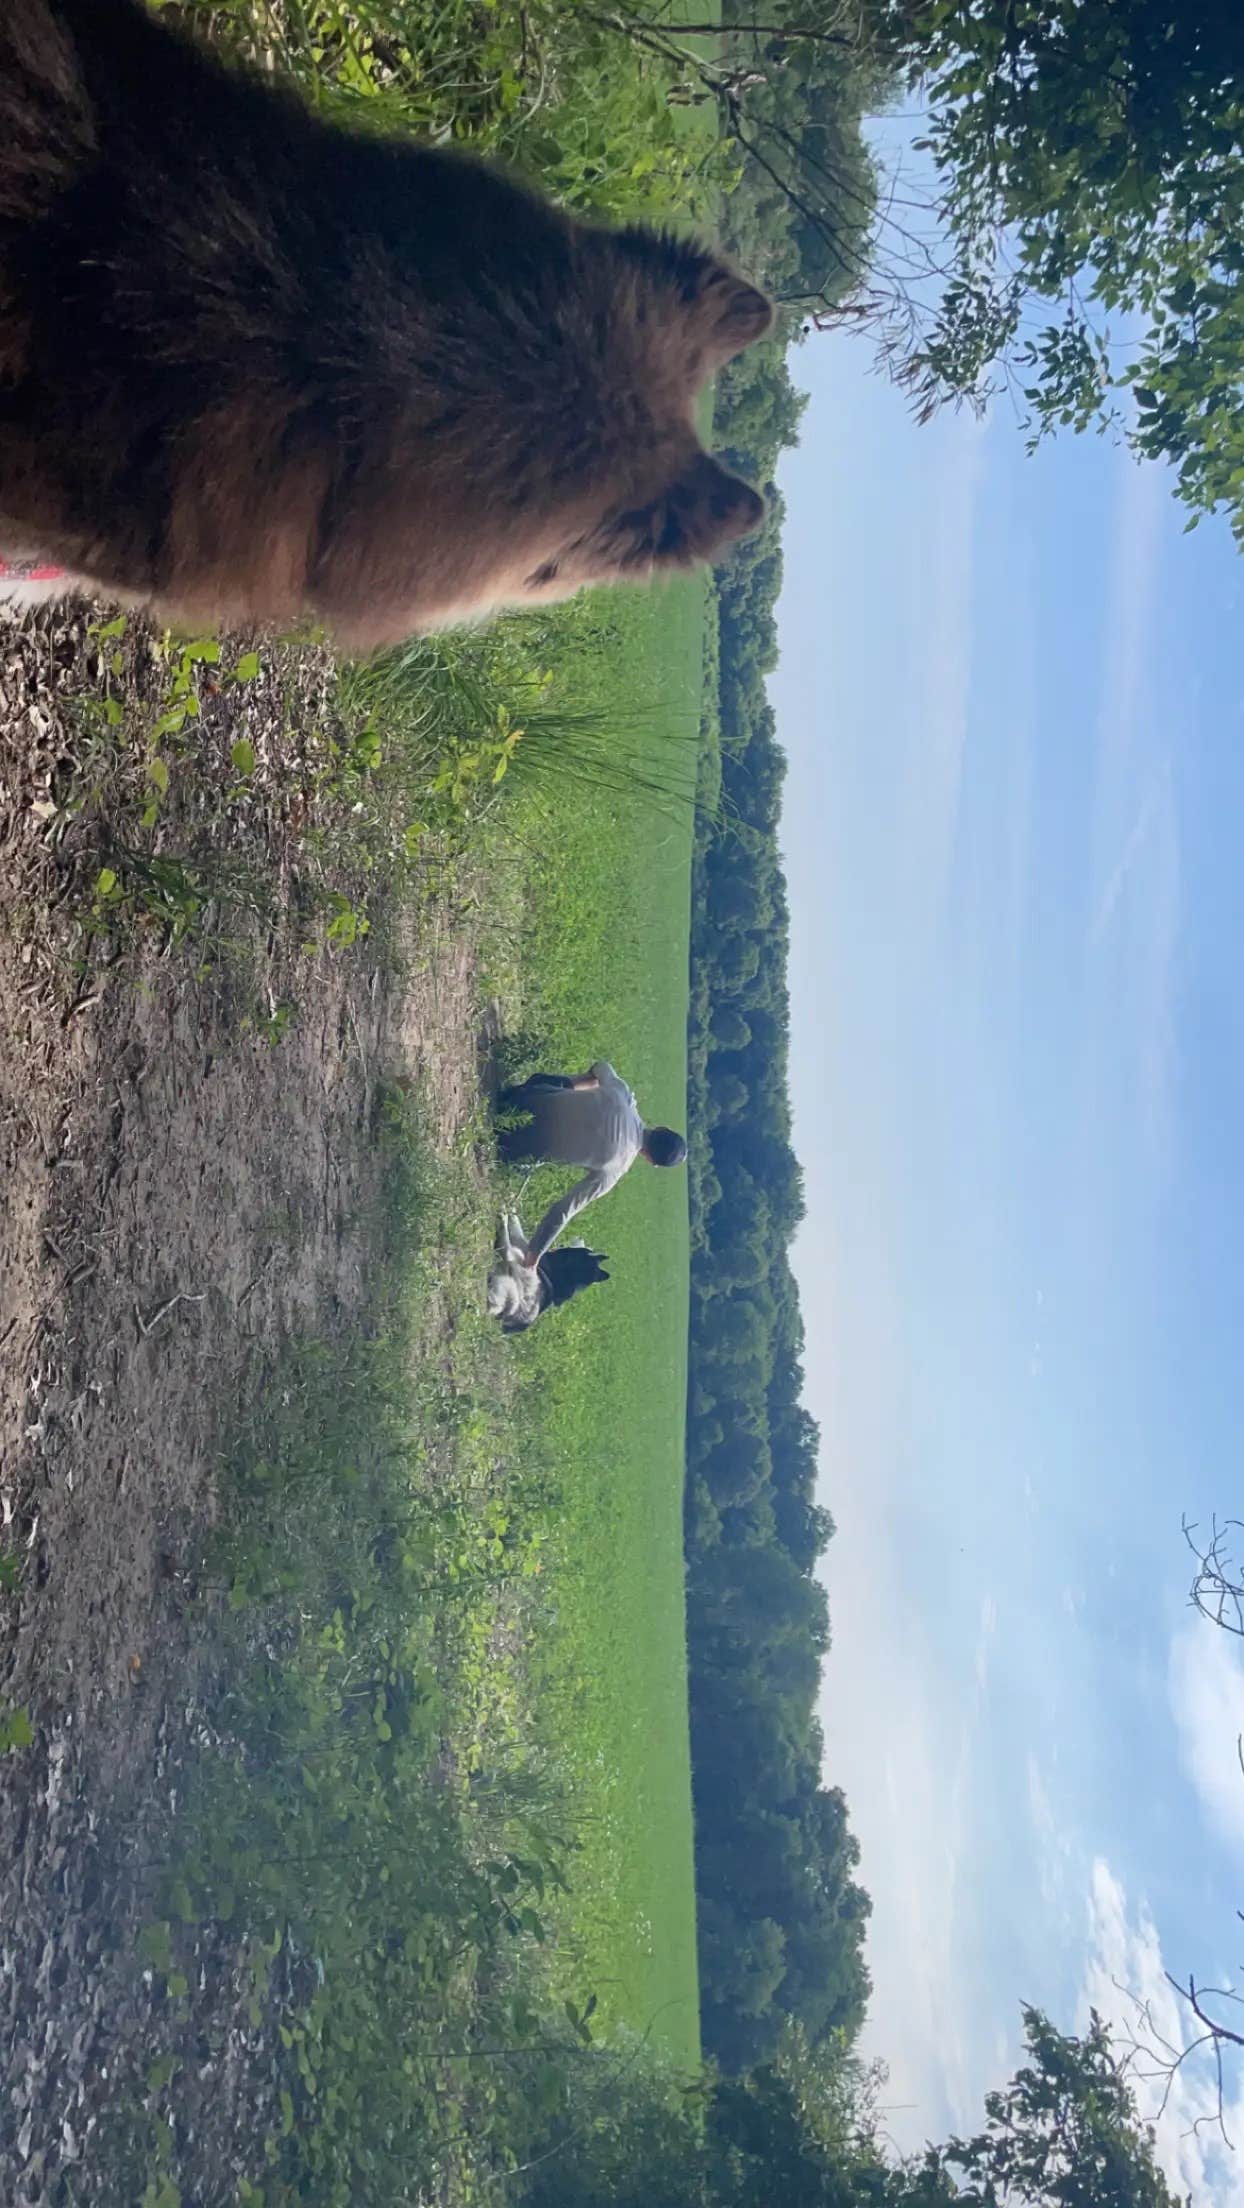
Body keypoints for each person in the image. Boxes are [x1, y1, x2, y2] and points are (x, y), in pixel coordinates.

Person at [497, 1061, 686, 1266]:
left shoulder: (622, 1093)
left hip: (518, 1098)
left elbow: (600, 1066)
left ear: (662, 1128)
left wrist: (583, 1086)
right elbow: (563, 1211)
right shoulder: (614, 1170)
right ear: (651, 1161)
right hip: (509, 1148)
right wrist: (533, 1256)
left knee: (557, 1086)